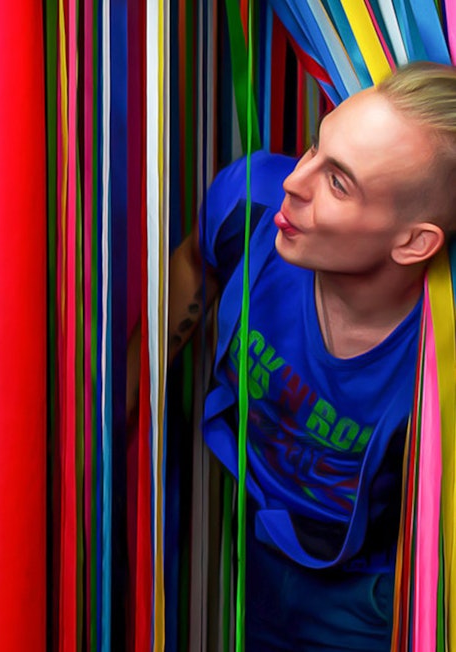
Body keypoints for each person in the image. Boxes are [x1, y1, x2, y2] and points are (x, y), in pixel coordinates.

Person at [161, 62, 456, 651]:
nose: (296, 181)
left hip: (378, 598)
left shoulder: (436, 352)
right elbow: (184, 278)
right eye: (315, 149)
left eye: (339, 183)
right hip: (252, 541)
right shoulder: (251, 204)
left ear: (414, 243)